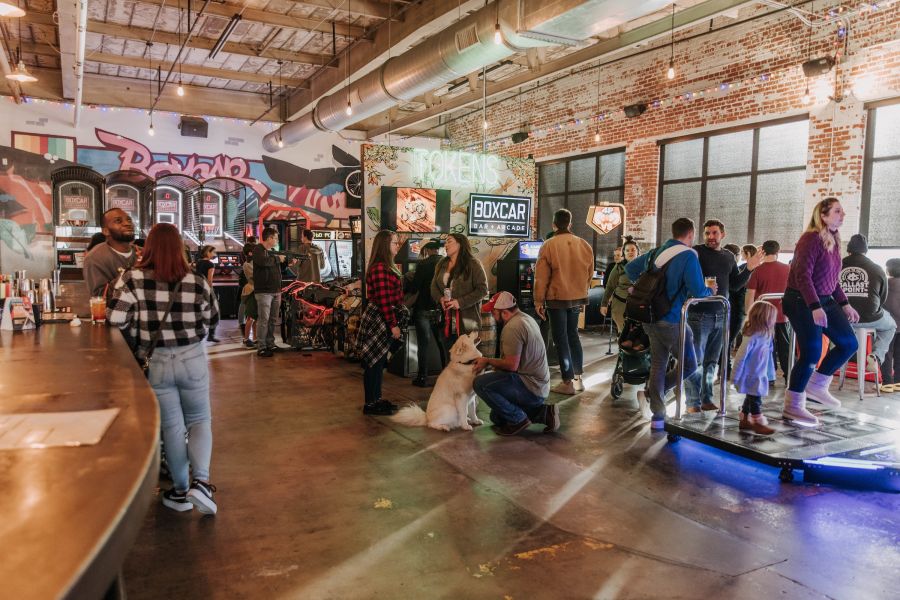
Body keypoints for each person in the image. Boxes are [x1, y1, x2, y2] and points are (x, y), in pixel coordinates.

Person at [107, 223, 220, 514]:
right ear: (180, 249)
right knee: (199, 420)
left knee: (171, 427)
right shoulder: (196, 280)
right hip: (192, 358)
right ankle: (202, 484)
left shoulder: (131, 279)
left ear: (149, 248)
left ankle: (181, 492)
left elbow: (115, 319)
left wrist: (139, 326)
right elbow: (213, 318)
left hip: (156, 360)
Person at [625, 218, 715, 430]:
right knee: (691, 364)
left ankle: (658, 415)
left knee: (658, 363)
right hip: (673, 319)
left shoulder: (657, 252)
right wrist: (711, 291)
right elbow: (697, 290)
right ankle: (653, 394)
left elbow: (630, 269)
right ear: (690, 234)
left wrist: (640, 287)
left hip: (649, 317)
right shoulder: (688, 256)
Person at [782, 197, 859, 426]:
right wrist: (814, 307)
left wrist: (845, 304)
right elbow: (802, 275)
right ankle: (793, 405)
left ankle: (816, 386)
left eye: (842, 211)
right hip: (800, 300)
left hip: (825, 299)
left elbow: (832, 280)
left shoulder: (834, 239)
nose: (842, 215)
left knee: (848, 343)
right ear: (823, 215)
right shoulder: (810, 239)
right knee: (812, 352)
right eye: (837, 211)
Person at [684, 220, 762, 412]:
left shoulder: (728, 256)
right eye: (707, 233)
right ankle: (692, 402)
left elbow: (735, 285)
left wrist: (749, 269)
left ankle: (706, 399)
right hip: (698, 314)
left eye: (715, 233)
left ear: (723, 234)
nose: (711, 237)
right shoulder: (696, 253)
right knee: (696, 360)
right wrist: (702, 287)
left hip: (721, 315)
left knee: (711, 361)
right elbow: (686, 279)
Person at [472, 291, 558, 436]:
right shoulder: (526, 318)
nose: (492, 315)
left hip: (531, 387)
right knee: (496, 417)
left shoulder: (512, 327)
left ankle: (518, 420)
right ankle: (544, 413)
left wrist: (487, 361)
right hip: (539, 386)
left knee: (480, 383)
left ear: (504, 312)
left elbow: (512, 366)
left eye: (494, 312)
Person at [534, 209, 595, 395]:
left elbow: (541, 277)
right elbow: (589, 274)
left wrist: (538, 300)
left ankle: (567, 382)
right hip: (577, 298)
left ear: (554, 224)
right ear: (570, 224)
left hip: (557, 298)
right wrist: (582, 292)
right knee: (573, 335)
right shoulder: (584, 244)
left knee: (560, 339)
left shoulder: (548, 245)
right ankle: (578, 379)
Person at [358, 230, 405, 415]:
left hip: (382, 317)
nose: (397, 245)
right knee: (373, 362)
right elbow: (384, 301)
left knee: (379, 362)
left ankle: (376, 398)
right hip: (380, 318)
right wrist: (393, 325)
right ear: (385, 245)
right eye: (394, 242)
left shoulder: (386, 266)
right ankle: (370, 403)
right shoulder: (379, 268)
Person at [840, 234, 897, 374]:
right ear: (866, 251)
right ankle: (876, 356)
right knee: (891, 326)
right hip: (871, 317)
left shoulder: (837, 265)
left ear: (848, 251)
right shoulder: (877, 268)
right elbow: (882, 298)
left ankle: (840, 355)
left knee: (840, 331)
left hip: (842, 318)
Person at [430, 233, 488, 354]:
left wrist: (460, 302)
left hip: (467, 321)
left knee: (466, 360)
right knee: (449, 359)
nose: (446, 245)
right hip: (445, 320)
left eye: (449, 241)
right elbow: (433, 286)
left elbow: (482, 289)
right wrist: (440, 298)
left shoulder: (473, 264)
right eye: (445, 242)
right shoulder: (441, 264)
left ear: (460, 244)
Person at [746, 240, 791, 384]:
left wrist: (749, 316)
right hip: (783, 314)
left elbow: (750, 295)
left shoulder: (757, 270)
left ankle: (769, 377)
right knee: (785, 347)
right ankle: (789, 376)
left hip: (763, 316)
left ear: (763, 252)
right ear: (778, 252)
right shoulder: (788, 269)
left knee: (765, 347)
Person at [731, 301, 778, 435]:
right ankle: (757, 421)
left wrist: (770, 374)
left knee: (750, 397)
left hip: (759, 374)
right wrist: (735, 376)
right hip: (751, 375)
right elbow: (740, 357)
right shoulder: (751, 336)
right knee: (755, 399)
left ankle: (745, 419)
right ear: (763, 318)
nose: (774, 321)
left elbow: (767, 358)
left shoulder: (767, 335)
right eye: (772, 318)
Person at [408, 240, 446, 386]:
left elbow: (414, 288)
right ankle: (445, 375)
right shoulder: (446, 263)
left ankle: (422, 377)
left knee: (423, 344)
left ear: (428, 250)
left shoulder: (423, 264)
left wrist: (409, 278)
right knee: (441, 342)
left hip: (422, 307)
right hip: (439, 308)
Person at [253, 227, 293, 357]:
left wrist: (288, 263)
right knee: (263, 319)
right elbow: (264, 262)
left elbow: (278, 267)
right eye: (275, 238)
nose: (276, 240)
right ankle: (262, 347)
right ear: (269, 238)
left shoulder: (273, 252)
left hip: (276, 290)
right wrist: (278, 259)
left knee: (273, 319)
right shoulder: (258, 249)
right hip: (264, 291)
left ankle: (270, 343)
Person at [83, 208, 137, 298]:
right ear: (106, 231)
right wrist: (134, 272)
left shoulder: (144, 253)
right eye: (118, 221)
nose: (127, 224)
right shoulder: (95, 258)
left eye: (129, 220)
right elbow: (100, 297)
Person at [601, 237, 641, 333]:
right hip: (620, 305)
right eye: (627, 250)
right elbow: (610, 286)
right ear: (624, 253)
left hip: (639, 305)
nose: (630, 252)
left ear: (638, 252)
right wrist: (604, 304)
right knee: (624, 333)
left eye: (633, 250)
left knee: (637, 335)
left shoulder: (644, 266)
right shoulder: (619, 267)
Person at [881, 259, 900, 392]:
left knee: (887, 353)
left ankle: (887, 383)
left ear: (889, 270)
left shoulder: (885, 283)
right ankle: (899, 382)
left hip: (888, 325)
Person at [195, 245, 220, 342]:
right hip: (206, 290)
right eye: (213, 252)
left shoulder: (198, 263)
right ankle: (211, 335)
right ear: (208, 253)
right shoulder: (210, 265)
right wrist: (211, 292)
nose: (214, 254)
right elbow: (209, 281)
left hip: (198, 288)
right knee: (214, 311)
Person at [240, 243, 257, 348]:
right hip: (251, 292)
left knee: (256, 317)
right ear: (250, 252)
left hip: (256, 291)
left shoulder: (253, 262)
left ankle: (255, 338)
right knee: (250, 317)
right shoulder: (247, 264)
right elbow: (255, 276)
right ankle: (246, 339)